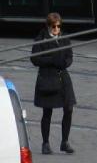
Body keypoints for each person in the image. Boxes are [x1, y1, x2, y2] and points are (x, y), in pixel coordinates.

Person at [31, 13, 77, 155]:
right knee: (47, 111)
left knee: (69, 108)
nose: (57, 29)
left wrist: (65, 62)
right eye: (54, 26)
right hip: (48, 78)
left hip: (63, 77)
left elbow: (69, 56)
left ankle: (65, 142)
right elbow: (35, 59)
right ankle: (45, 143)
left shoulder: (64, 38)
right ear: (48, 26)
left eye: (59, 26)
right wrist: (52, 60)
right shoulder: (40, 39)